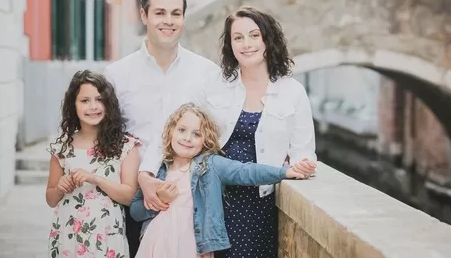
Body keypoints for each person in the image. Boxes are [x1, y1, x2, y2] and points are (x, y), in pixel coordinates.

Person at [139, 6, 317, 258]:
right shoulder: (214, 85)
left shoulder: (293, 91)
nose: (246, 44)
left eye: (254, 35)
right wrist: (145, 174)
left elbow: (302, 147)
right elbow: (171, 126)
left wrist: (302, 164)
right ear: (230, 44)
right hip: (210, 197)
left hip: (261, 199)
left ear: (268, 38)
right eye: (238, 37)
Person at [104, 0, 219, 255]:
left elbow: (218, 135)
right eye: (160, 13)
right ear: (144, 15)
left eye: (176, 13)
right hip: (130, 203)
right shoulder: (116, 75)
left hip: (187, 205)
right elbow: (106, 141)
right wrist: (142, 178)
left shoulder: (208, 73)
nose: (168, 21)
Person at [130, 103, 314, 258]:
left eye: (197, 134)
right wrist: (158, 200)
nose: (187, 138)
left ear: (205, 140)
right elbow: (135, 211)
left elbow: (246, 171)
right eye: (182, 130)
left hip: (192, 246)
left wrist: (285, 172)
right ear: (170, 132)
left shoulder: (211, 165)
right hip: (155, 244)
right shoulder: (157, 168)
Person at [45, 70, 140, 258]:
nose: (93, 106)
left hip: (107, 238)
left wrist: (95, 178)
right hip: (68, 236)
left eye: (99, 99)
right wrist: (60, 188)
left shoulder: (126, 146)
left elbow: (130, 196)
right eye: (84, 101)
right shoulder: (61, 147)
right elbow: (50, 198)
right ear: (74, 105)